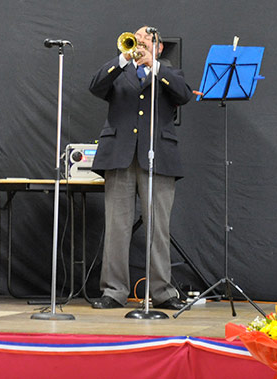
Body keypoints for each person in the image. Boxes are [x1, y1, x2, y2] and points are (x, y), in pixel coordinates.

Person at [88, 26, 192, 310]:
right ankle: (113, 291)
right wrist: (123, 58)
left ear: (158, 48)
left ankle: (163, 292)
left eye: (148, 40)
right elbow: (95, 86)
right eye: (139, 39)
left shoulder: (169, 73)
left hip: (157, 158)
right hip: (119, 157)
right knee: (117, 228)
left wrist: (155, 67)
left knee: (158, 229)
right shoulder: (119, 70)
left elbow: (184, 95)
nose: (142, 43)